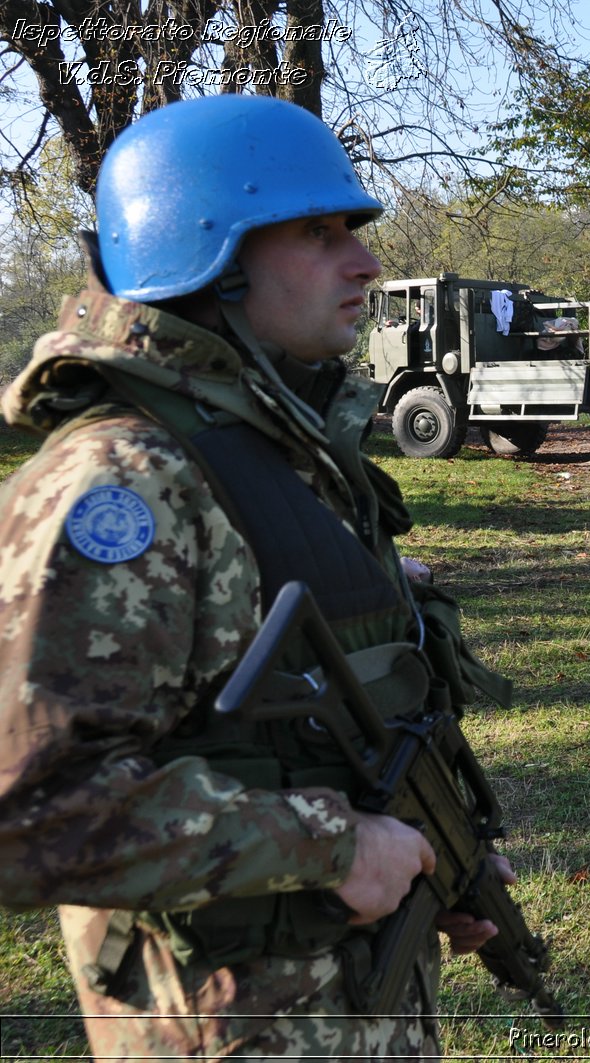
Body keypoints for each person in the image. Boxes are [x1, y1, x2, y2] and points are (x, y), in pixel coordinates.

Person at [0, 95, 516, 1059]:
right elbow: (31, 809)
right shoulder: (122, 480)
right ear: (211, 256)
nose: (364, 262)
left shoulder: (273, 449)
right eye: (319, 234)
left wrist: (423, 857)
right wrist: (336, 846)